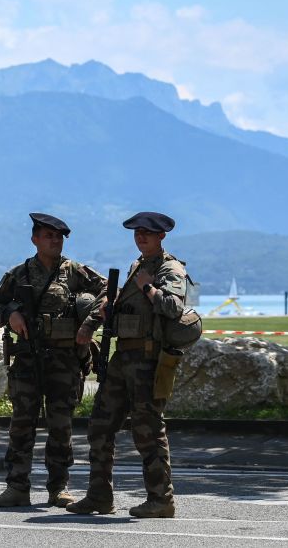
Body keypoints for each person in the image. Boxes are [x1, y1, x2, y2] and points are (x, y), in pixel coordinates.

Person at [66, 211, 188, 518]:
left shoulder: (169, 268)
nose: (141, 237)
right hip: (124, 358)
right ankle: (99, 496)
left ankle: (161, 499)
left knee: (148, 430)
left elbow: (174, 307)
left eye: (147, 233)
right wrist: (101, 317)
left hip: (148, 360)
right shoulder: (138, 266)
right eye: (137, 233)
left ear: (161, 236)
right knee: (100, 425)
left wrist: (149, 287)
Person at [0, 213, 105, 508]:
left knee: (61, 425)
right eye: (48, 236)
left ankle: (59, 487)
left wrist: (89, 323)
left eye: (59, 237)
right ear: (35, 239)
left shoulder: (75, 272)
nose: (55, 241)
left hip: (65, 360)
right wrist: (9, 315)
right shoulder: (19, 275)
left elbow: (108, 293)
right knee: (22, 424)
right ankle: (17, 487)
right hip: (27, 359)